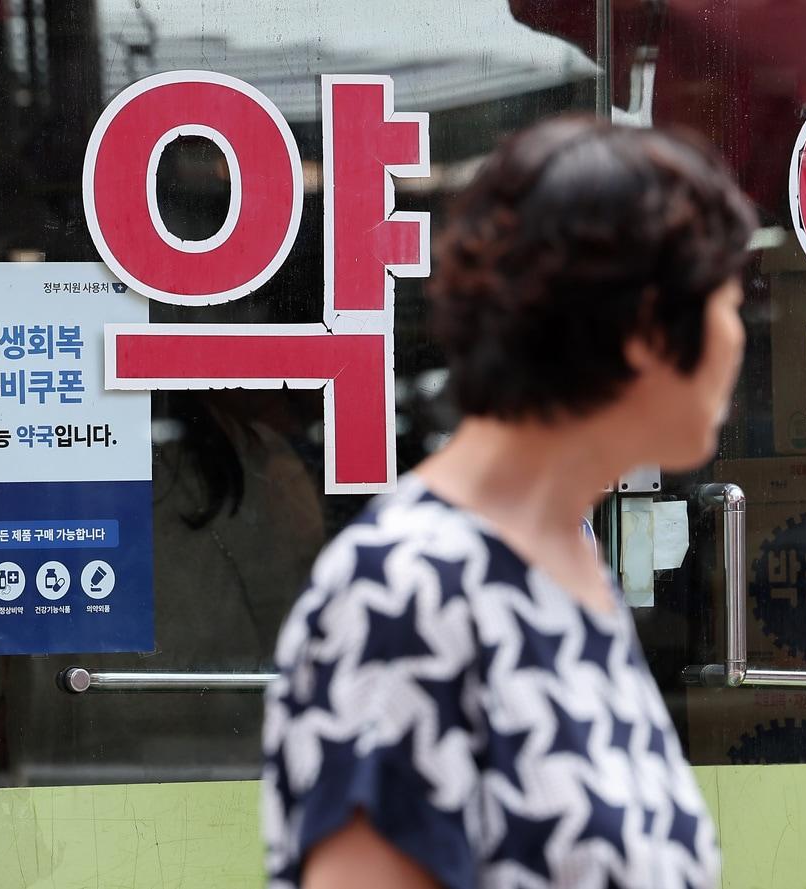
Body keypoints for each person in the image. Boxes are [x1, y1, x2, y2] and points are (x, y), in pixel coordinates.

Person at [262, 114, 756, 889]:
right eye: (728, 301)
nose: (740, 336)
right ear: (645, 328)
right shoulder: (407, 589)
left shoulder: (569, 556)